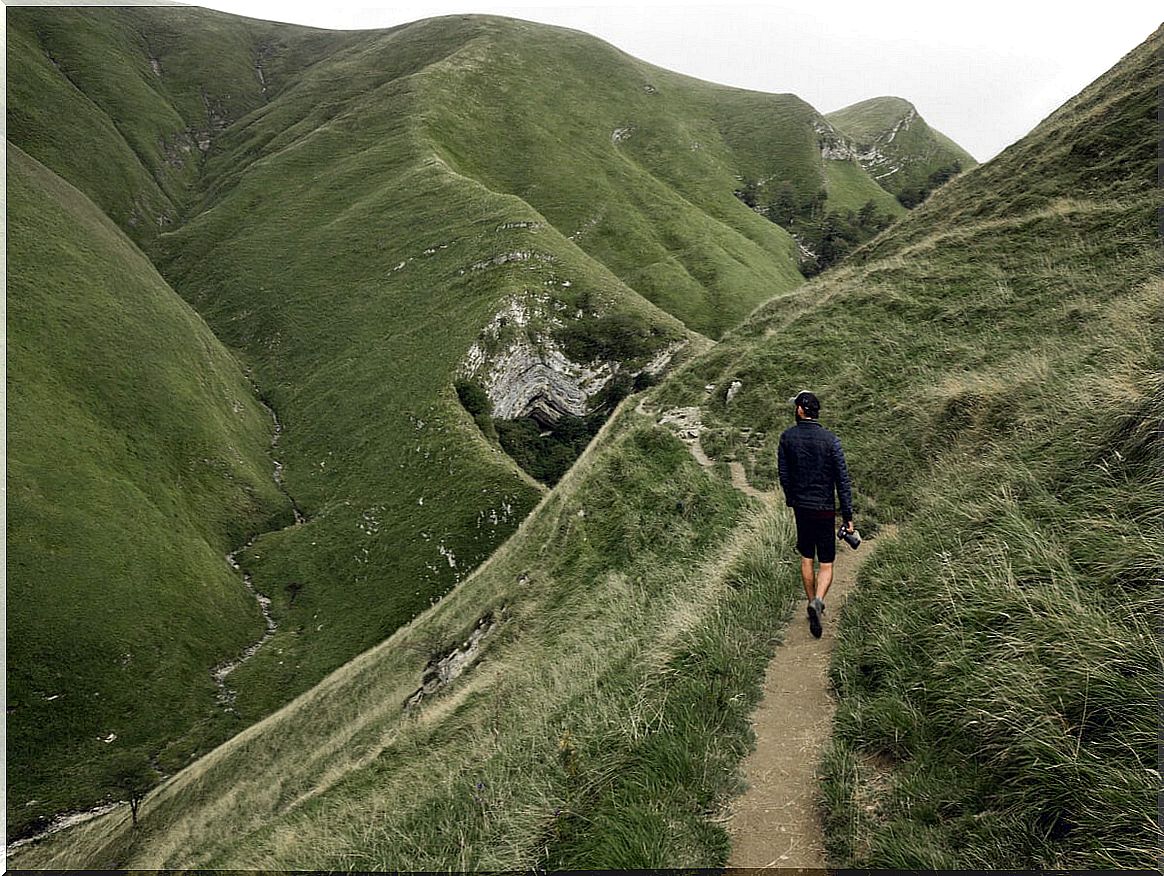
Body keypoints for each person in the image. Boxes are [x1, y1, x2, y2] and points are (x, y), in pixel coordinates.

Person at [777, 390, 854, 639]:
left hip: (802, 508)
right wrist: (848, 515)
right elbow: (842, 480)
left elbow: (784, 474)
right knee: (827, 562)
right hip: (825, 508)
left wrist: (791, 498)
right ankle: (819, 600)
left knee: (807, 557)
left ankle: (812, 602)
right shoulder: (831, 440)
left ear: (800, 410)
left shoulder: (787, 438)